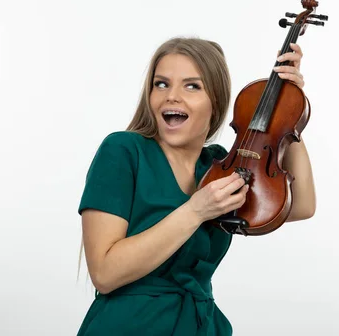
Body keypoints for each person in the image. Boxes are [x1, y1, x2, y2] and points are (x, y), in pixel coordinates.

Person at [76, 37, 316, 335]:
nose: (171, 96)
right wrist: (196, 211)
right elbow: (104, 273)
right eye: (161, 84)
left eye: (192, 86)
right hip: (129, 325)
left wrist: (288, 110)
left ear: (215, 101)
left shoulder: (219, 166)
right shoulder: (123, 151)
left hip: (200, 326)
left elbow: (302, 204)